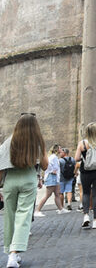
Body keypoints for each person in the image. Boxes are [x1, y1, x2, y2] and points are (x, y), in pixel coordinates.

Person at [0, 113, 48, 268]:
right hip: (28, 179)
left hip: (10, 180)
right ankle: (14, 253)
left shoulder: (8, 142)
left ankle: (10, 252)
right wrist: (42, 148)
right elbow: (45, 165)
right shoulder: (36, 142)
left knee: (10, 216)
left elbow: (0, 167)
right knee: (23, 215)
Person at [34, 144, 68, 217]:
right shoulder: (53, 157)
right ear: (57, 149)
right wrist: (52, 170)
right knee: (47, 195)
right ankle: (37, 210)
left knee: (57, 194)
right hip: (51, 177)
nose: (61, 149)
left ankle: (61, 209)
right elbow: (47, 164)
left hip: (55, 177)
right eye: (60, 148)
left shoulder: (55, 157)